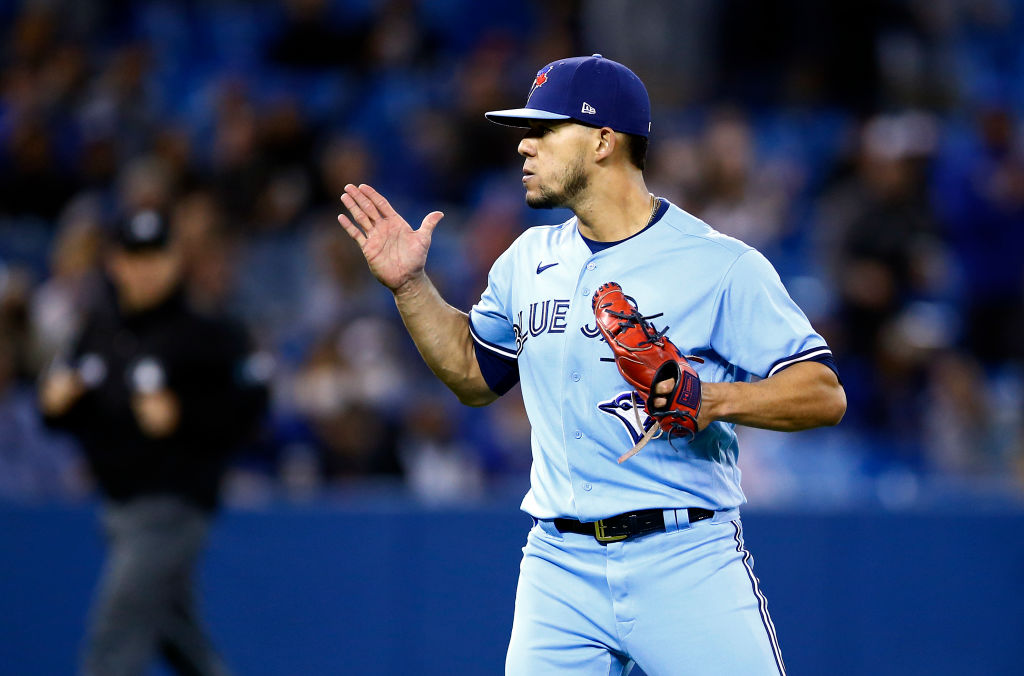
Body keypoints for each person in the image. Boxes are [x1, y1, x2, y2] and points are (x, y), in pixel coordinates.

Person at [337, 54, 846, 676]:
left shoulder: (719, 264)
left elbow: (823, 393)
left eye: (545, 130)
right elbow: (474, 376)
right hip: (558, 565)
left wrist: (713, 399)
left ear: (604, 140)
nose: (524, 146)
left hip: (683, 556)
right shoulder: (527, 259)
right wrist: (412, 287)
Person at [40, 209, 269, 676]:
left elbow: (252, 411)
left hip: (174, 506)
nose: (145, 269)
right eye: (134, 256)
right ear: (114, 263)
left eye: (156, 256)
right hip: (117, 508)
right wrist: (56, 406)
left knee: (114, 637)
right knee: (179, 639)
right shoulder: (99, 330)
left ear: (175, 260)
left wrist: (184, 415)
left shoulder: (208, 331)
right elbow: (70, 413)